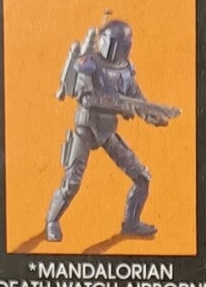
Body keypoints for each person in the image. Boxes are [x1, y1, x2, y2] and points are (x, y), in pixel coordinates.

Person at [45, 15, 176, 243]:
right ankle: (52, 221)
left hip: (107, 132)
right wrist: (122, 105)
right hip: (86, 129)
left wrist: (151, 115)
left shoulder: (126, 68)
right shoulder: (89, 63)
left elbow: (136, 97)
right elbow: (87, 98)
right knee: (72, 181)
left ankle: (131, 222)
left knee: (142, 177)